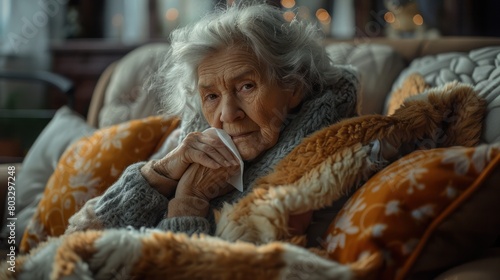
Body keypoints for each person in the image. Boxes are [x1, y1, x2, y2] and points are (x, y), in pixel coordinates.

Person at [66, 2, 361, 242]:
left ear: (294, 87)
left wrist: (189, 200)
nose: (227, 114)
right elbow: (84, 236)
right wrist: (162, 171)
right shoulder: (194, 141)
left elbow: (180, 270)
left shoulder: (322, 170)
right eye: (211, 96)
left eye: (246, 86)